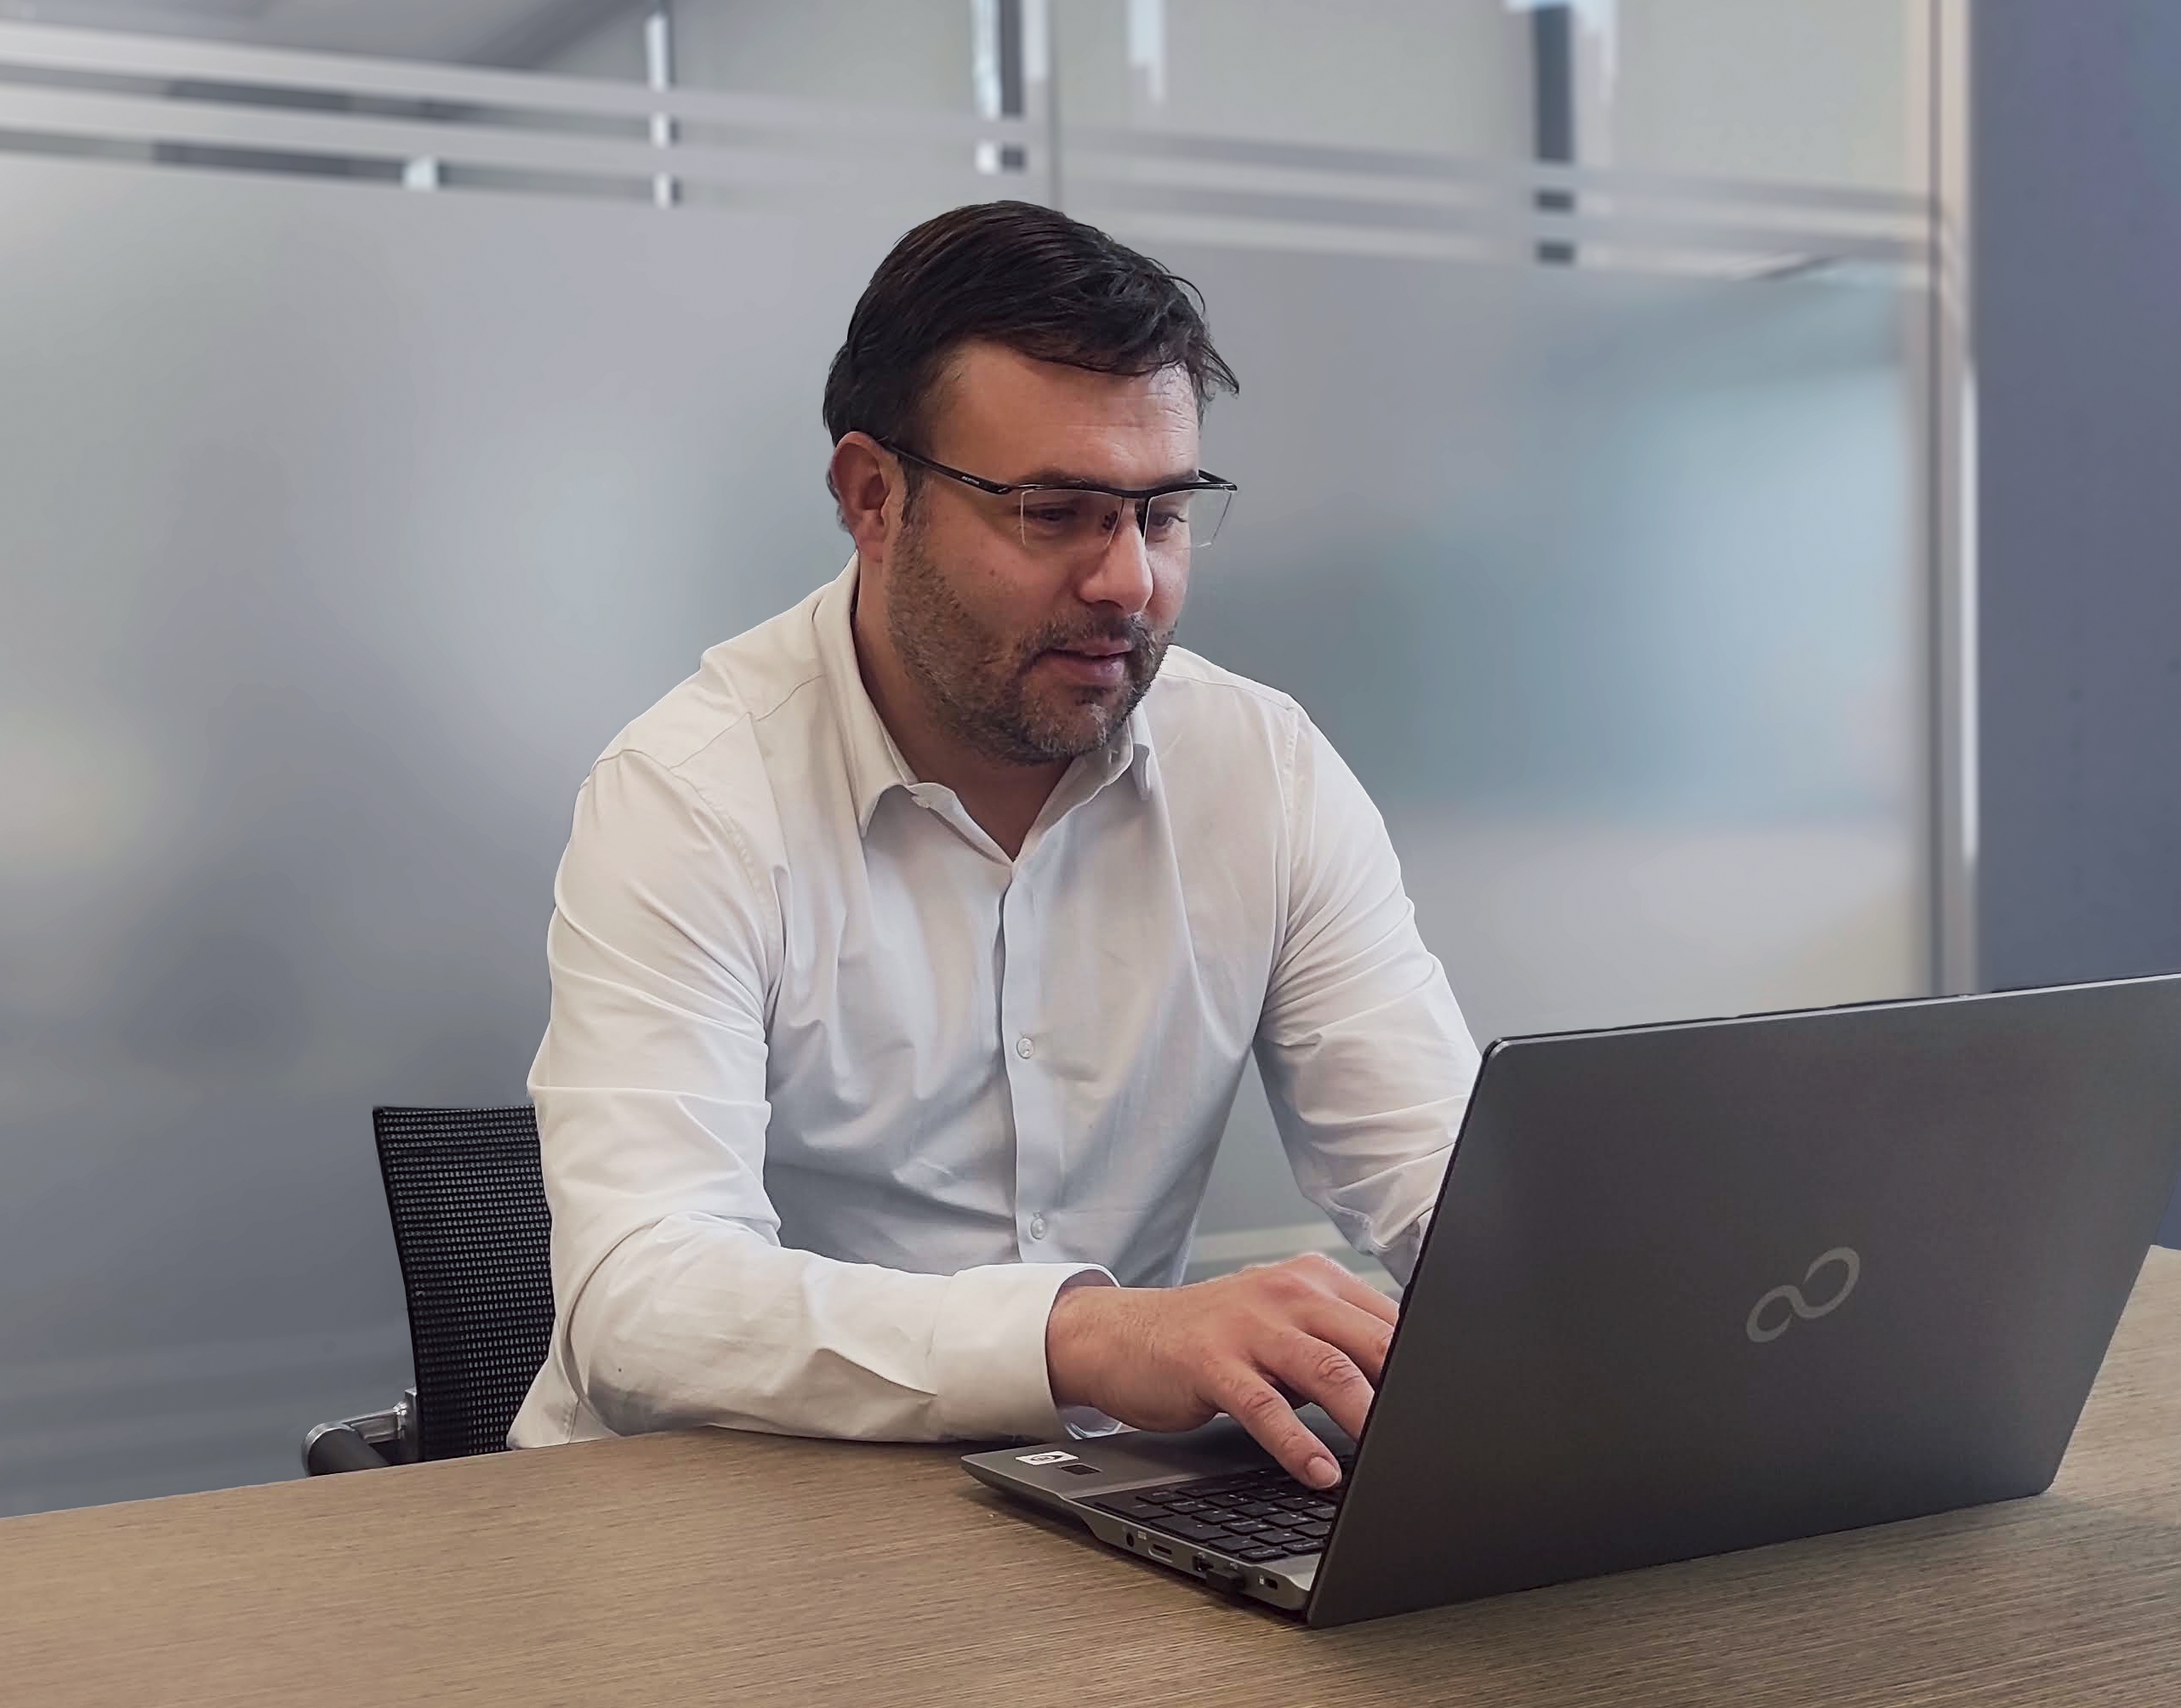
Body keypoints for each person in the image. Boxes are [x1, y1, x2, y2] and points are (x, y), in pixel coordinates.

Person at [510, 201, 1479, 1490]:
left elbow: (1445, 1182)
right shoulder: (692, 793)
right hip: (714, 1529)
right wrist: (1085, 1336)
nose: (1128, 581)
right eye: (1056, 510)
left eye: (1163, 513)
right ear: (873, 497)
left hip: (1089, 1514)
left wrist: (1634, 1302)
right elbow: (643, 1302)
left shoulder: (1263, 768)